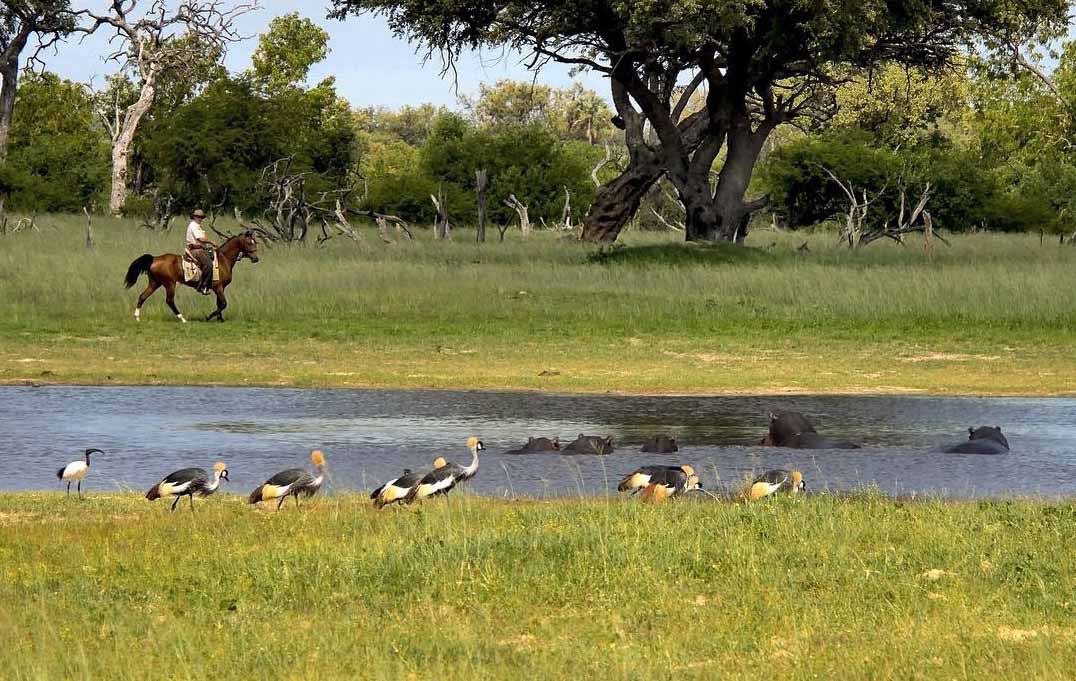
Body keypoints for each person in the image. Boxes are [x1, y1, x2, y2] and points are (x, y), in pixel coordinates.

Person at [185, 209, 217, 294]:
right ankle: (203, 286)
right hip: (196, 250)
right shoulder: (193, 225)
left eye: (202, 217)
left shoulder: (198, 226)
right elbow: (200, 239)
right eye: (199, 217)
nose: (200, 219)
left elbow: (203, 238)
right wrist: (211, 242)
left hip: (200, 249)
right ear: (194, 217)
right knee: (209, 264)